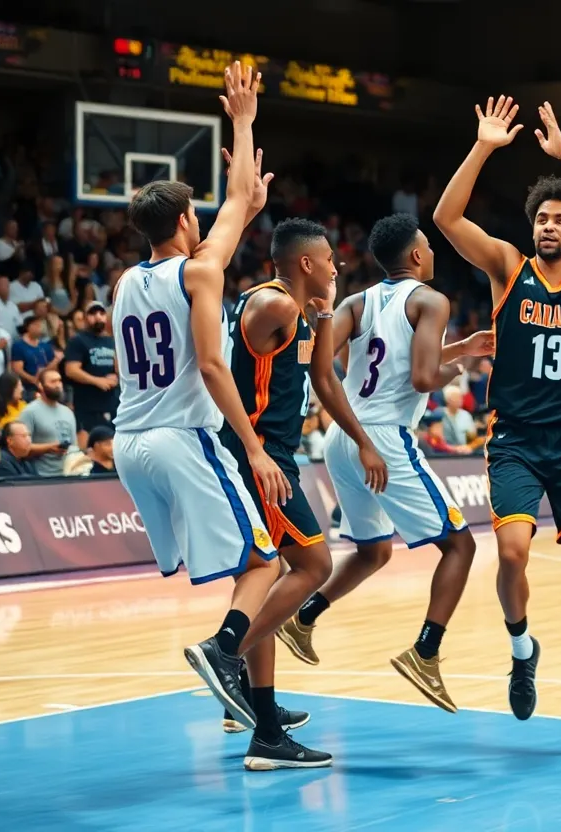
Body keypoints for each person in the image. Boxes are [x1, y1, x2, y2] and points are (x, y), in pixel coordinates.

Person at [112, 63, 309, 769]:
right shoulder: (198, 272)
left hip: (127, 444)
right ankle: (222, 653)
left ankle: (260, 717)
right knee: (264, 561)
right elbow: (212, 364)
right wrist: (253, 449)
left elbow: (228, 219)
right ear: (184, 223)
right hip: (180, 438)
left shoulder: (123, 282)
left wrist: (244, 203)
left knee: (241, 565)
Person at [434, 95, 561, 742]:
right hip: (516, 439)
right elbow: (445, 217)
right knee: (513, 553)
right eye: (541, 219)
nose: (548, 227)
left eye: (560, 220)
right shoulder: (506, 268)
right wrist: (485, 146)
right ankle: (523, 654)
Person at [285, 213, 488, 713]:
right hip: (384, 441)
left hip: (341, 436)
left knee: (375, 551)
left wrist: (459, 345)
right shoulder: (432, 300)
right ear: (417, 255)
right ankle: (426, 651)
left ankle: (302, 618)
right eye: (430, 247)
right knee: (460, 547)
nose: (434, 253)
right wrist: (459, 366)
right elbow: (421, 378)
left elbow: (316, 358)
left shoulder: (356, 302)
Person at [219, 216, 389, 756]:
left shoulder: (300, 313)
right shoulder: (272, 305)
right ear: (306, 264)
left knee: (262, 582)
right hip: (262, 459)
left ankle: (262, 721)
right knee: (313, 567)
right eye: (330, 261)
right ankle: (224, 659)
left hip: (275, 456)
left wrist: (324, 315)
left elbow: (323, 378)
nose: (338, 267)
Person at [64, 300, 118, 448]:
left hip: (111, 403)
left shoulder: (111, 341)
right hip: (87, 406)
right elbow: (71, 370)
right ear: (85, 318)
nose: (98, 317)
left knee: (111, 447)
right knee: (89, 448)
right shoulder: (78, 340)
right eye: (93, 313)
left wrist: (117, 377)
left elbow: (120, 367)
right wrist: (97, 381)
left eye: (101, 313)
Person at [18, 368, 77, 477]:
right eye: (53, 382)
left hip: (68, 475)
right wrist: (48, 448)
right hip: (41, 476)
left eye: (59, 381)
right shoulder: (30, 411)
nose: (58, 385)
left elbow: (74, 446)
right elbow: (20, 448)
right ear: (40, 385)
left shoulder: (68, 412)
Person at [10, 313, 57, 400]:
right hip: (28, 389)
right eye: (36, 325)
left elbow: (54, 365)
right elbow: (17, 369)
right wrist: (33, 379)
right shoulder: (18, 346)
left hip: (46, 387)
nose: (39, 328)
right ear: (28, 327)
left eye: (40, 325)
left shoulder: (45, 346)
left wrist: (45, 371)